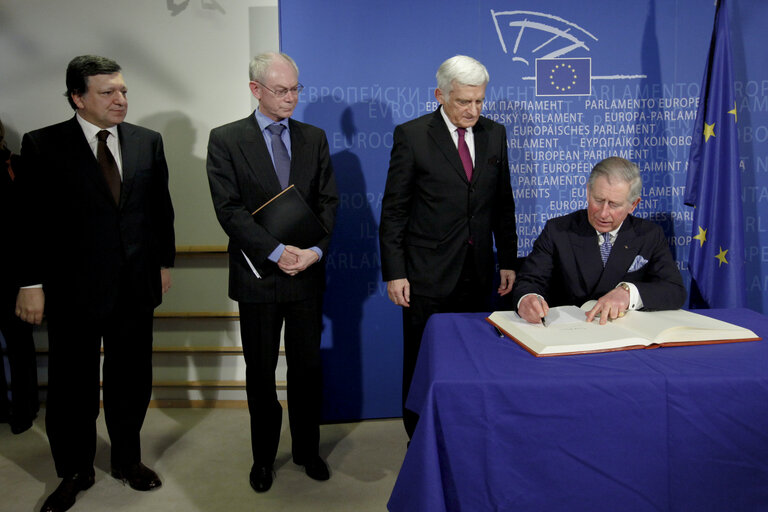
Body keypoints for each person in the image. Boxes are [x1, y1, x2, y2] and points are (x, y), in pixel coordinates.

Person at [15, 55, 175, 512]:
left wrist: (164, 263)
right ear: (78, 98)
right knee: (72, 387)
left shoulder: (148, 142)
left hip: (135, 286)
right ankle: (75, 471)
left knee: (131, 380)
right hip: (73, 290)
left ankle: (127, 460)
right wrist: (30, 283)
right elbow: (28, 225)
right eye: (108, 93)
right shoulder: (43, 146)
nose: (121, 100)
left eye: (123, 90)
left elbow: (159, 211)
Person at [206, 52, 338, 493]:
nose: (291, 98)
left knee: (306, 369)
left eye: (296, 89)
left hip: (306, 276)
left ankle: (306, 450)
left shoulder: (314, 138)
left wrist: (314, 253)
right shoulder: (225, 140)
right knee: (260, 373)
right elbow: (229, 210)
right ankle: (263, 458)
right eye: (281, 90)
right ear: (255, 89)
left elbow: (329, 203)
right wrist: (277, 251)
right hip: (257, 276)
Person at [379, 55, 519, 439]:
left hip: (477, 272)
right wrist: (395, 272)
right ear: (440, 95)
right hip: (426, 275)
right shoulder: (412, 136)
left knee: (474, 360)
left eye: (479, 101)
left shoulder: (496, 134)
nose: (473, 110)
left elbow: (502, 203)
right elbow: (394, 212)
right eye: (463, 102)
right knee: (423, 362)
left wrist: (506, 259)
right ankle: (419, 438)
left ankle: (466, 435)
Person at [511, 156, 686, 324]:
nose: (603, 213)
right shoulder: (558, 230)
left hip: (625, 337)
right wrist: (527, 299)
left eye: (614, 205)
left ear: (633, 205)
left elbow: (674, 290)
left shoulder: (649, 235)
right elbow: (529, 281)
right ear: (588, 192)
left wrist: (628, 293)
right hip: (569, 332)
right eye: (598, 200)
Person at [0, 118, 39, 435]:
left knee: (19, 342)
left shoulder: (19, 165)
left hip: (16, 272)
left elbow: (36, 219)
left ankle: (25, 409)